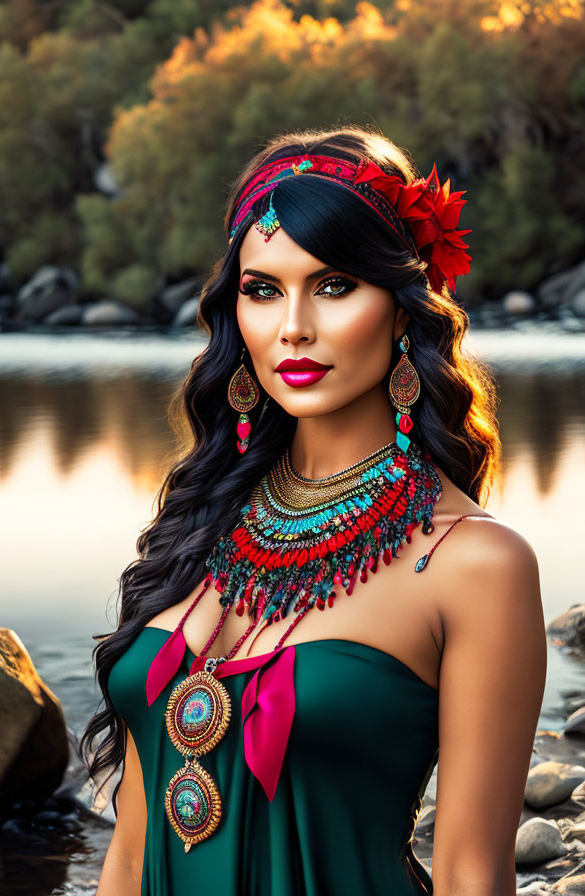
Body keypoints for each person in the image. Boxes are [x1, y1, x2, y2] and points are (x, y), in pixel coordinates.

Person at [81, 125, 547, 896]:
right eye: (263, 290)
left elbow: (472, 872)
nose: (293, 325)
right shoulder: (203, 522)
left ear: (403, 309)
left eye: (334, 286)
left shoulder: (473, 564)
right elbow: (129, 856)